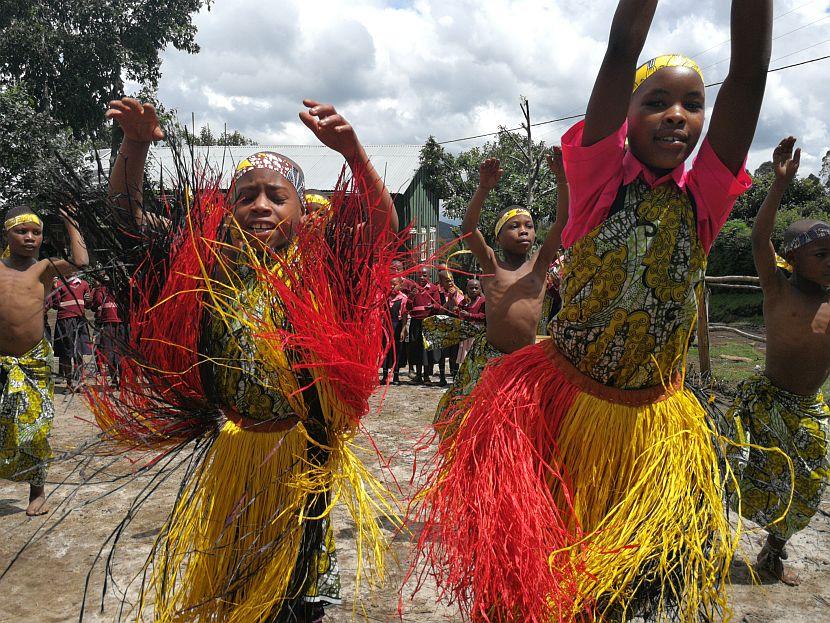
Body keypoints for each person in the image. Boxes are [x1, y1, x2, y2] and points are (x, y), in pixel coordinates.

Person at [414, 1, 772, 620]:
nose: (676, 116)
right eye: (656, 101)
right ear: (626, 118)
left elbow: (750, 72)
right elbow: (620, 52)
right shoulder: (598, 182)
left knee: (619, 592)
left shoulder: (706, 196)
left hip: (650, 430)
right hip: (562, 414)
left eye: (692, 105)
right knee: (544, 576)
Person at [100, 96, 400, 622]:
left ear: (302, 210)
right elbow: (127, 220)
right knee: (236, 591)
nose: (260, 205)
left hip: (302, 459)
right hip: (234, 454)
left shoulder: (322, 269)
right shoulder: (208, 269)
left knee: (295, 599)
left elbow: (382, 231)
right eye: (246, 196)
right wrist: (136, 145)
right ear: (230, 209)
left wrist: (353, 153)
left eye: (275, 196)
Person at [727, 137, 830, 587]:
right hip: (766, 400)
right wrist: (780, 186)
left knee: (810, 482)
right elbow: (758, 236)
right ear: (792, 258)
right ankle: (697, 527)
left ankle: (774, 548)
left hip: (809, 407)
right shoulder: (778, 290)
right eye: (822, 254)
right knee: (744, 469)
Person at [428, 149, 569, 436]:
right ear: (497, 236)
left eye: (529, 226)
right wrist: (482, 189)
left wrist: (563, 180)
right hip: (490, 360)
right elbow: (468, 228)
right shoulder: (492, 264)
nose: (524, 231)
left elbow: (562, 223)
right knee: (481, 427)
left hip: (526, 362)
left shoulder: (539, 265)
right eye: (514, 226)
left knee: (521, 429)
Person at [0, 204, 88, 516]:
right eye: (21, 231)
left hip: (33, 361)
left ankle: (37, 493)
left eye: (36, 232)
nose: (29, 238)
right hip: (1, 363)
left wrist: (70, 221)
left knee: (35, 429)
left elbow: (80, 261)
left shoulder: (44, 269)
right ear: (6, 234)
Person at [51, 274, 91, 391]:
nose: (72, 271)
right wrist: (55, 289)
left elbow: (88, 304)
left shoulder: (84, 284)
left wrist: (89, 300)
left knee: (79, 353)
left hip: (79, 321)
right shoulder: (58, 284)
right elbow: (56, 305)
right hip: (64, 322)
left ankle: (79, 382)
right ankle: (69, 384)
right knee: (66, 354)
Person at [406, 266, 440, 385]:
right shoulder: (414, 289)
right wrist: (411, 296)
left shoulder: (433, 289)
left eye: (424, 275)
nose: (421, 277)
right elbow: (408, 307)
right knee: (416, 348)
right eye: (419, 275)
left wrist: (433, 307)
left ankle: (426, 375)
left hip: (427, 323)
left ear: (429, 277)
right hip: (416, 322)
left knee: (426, 349)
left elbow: (438, 305)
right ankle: (418, 375)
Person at [87, 282, 124, 386]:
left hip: (110, 324)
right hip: (118, 324)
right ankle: (119, 380)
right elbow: (96, 304)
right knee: (117, 353)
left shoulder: (103, 289)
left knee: (110, 353)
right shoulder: (120, 287)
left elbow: (97, 302)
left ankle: (115, 380)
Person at [382, 276, 409, 385]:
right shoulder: (385, 297)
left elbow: (404, 315)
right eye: (391, 284)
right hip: (386, 326)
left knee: (396, 351)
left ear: (400, 285)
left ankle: (396, 375)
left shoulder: (403, 298)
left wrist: (403, 329)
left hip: (396, 325)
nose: (392, 287)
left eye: (394, 284)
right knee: (385, 351)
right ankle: (384, 375)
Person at [456, 278, 485, 365]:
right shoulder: (465, 301)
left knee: (475, 356)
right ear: (467, 289)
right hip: (466, 331)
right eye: (471, 288)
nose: (473, 290)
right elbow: (459, 312)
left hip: (477, 332)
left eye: (476, 288)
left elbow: (483, 316)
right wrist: (458, 312)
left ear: (480, 289)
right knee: (465, 355)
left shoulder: (483, 301)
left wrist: (469, 315)